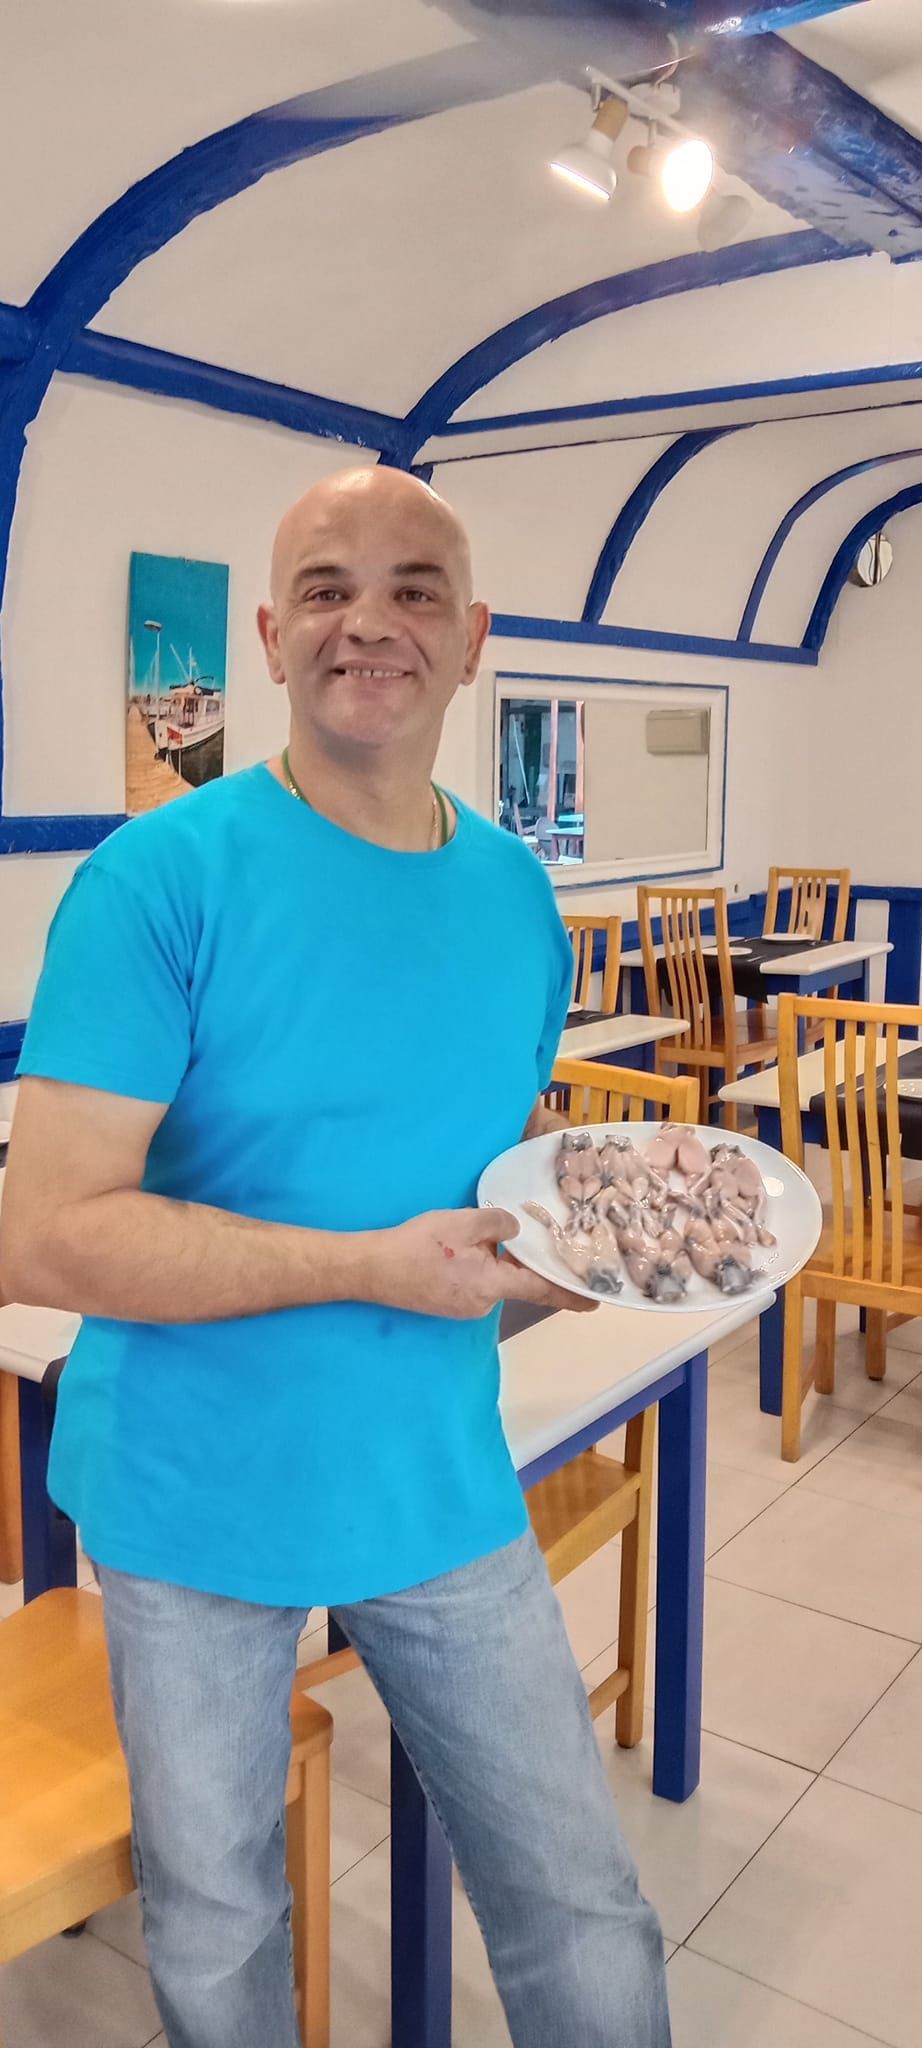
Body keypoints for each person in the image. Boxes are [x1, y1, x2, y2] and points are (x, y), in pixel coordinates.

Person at [0, 467, 670, 2048]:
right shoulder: (156, 880)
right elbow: (42, 1232)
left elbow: (475, 1180)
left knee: (579, 1900)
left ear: (474, 636)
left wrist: (567, 1256)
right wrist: (370, 1267)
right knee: (221, 1918)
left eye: (413, 587)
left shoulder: (518, 897)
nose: (368, 619)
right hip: (187, 1492)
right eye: (325, 587)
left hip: (432, 1473)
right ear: (269, 635)